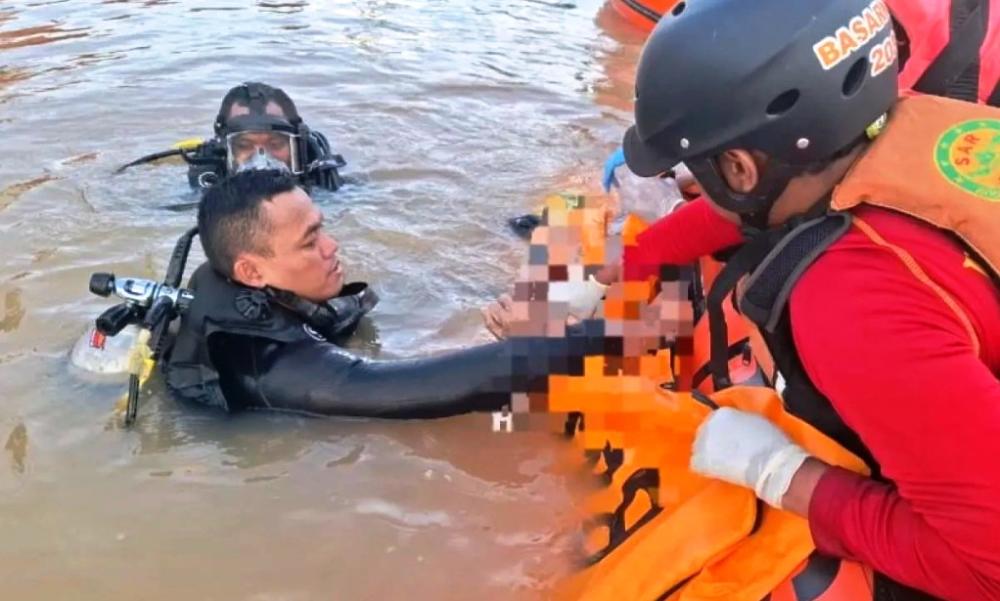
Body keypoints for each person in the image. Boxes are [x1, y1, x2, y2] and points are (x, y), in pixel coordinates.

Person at [614, 0, 1000, 599]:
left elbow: (989, 569)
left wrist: (787, 477)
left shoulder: (848, 301)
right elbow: (753, 213)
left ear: (739, 168)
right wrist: (628, 262)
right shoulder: (929, 124)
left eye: (697, 170)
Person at [162, 169, 605, 417]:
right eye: (309, 241)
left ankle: (544, 222)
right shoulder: (268, 365)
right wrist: (552, 347)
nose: (332, 246)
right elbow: (395, 388)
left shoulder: (240, 282)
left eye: (322, 228)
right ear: (251, 271)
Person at [116, 82, 346, 192]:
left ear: (299, 145)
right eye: (244, 145)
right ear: (224, 149)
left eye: (275, 144)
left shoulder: (324, 181)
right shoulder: (206, 180)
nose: (262, 159)